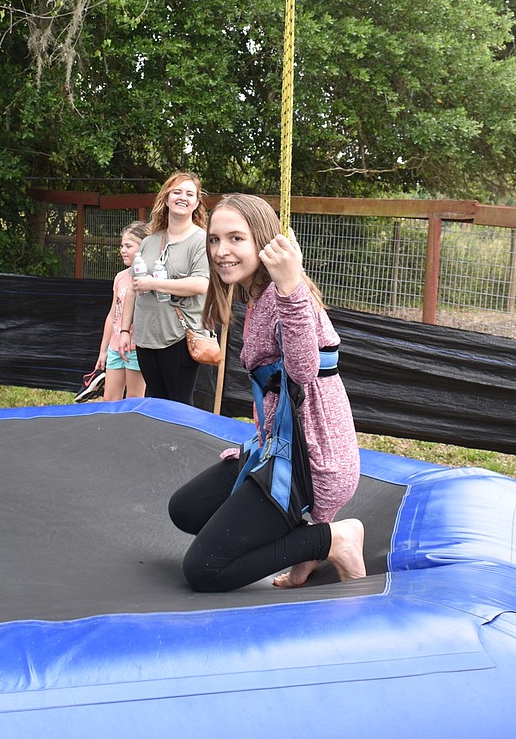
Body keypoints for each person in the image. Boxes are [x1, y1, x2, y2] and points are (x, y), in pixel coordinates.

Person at [167, 192, 365, 592]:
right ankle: (303, 546)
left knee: (204, 571)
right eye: (215, 239)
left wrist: (291, 286)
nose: (222, 251)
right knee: (186, 509)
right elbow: (279, 390)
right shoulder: (258, 295)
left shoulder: (283, 295)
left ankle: (332, 540)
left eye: (236, 239)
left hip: (311, 466)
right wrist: (257, 447)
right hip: (284, 446)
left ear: (263, 240)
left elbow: (303, 371)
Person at [118, 172, 209, 407]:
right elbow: (133, 288)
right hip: (146, 338)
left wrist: (155, 283)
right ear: (166, 199)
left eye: (189, 194)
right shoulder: (149, 241)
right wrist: (124, 331)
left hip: (178, 337)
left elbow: (201, 284)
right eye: (177, 192)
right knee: (155, 401)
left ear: (196, 203)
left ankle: (181, 445)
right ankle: (159, 445)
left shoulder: (201, 241)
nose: (182, 197)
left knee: (179, 404)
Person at [93, 221, 149, 403]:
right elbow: (112, 315)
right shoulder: (119, 277)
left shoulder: (149, 279)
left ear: (144, 247)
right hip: (115, 347)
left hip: (135, 348)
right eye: (121, 246)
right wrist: (103, 351)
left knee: (134, 399)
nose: (123, 250)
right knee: (109, 398)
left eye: (128, 246)